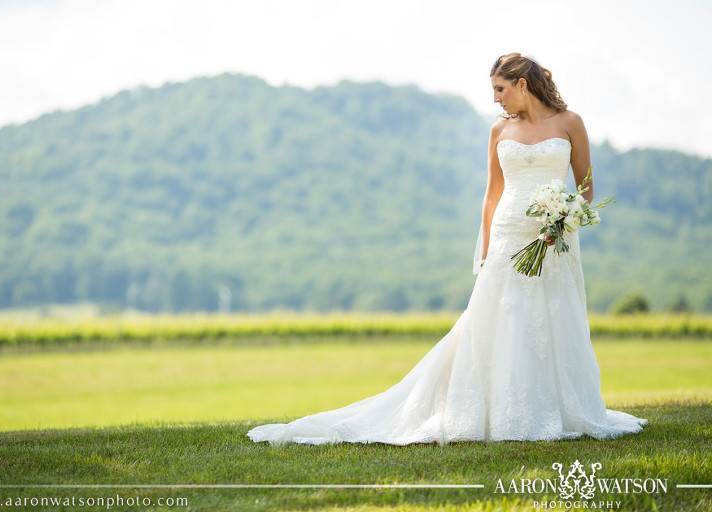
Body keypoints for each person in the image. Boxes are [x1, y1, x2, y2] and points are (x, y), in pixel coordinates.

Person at [247, 53, 647, 445]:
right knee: (503, 318)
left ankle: (560, 408)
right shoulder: (498, 131)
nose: (496, 99)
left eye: (500, 89)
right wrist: (488, 249)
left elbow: (586, 188)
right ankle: (499, 408)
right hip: (510, 233)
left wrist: (563, 218)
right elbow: (492, 196)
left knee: (553, 316)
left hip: (555, 238)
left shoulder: (570, 123)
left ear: (522, 85)